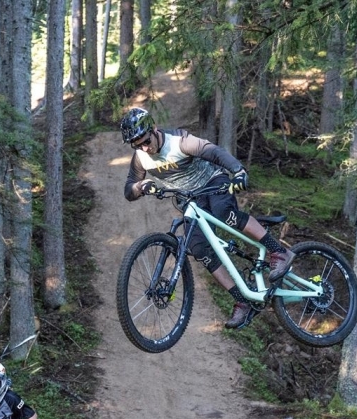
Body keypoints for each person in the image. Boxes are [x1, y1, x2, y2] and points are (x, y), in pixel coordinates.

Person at [119, 106, 295, 329]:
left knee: (225, 214)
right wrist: (140, 185)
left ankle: (278, 250)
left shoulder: (179, 142)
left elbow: (213, 151)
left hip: (213, 182)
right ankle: (242, 301)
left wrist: (238, 171)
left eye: (145, 141)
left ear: (154, 128)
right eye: (137, 145)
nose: (145, 147)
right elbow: (128, 190)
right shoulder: (141, 158)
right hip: (190, 199)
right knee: (199, 248)